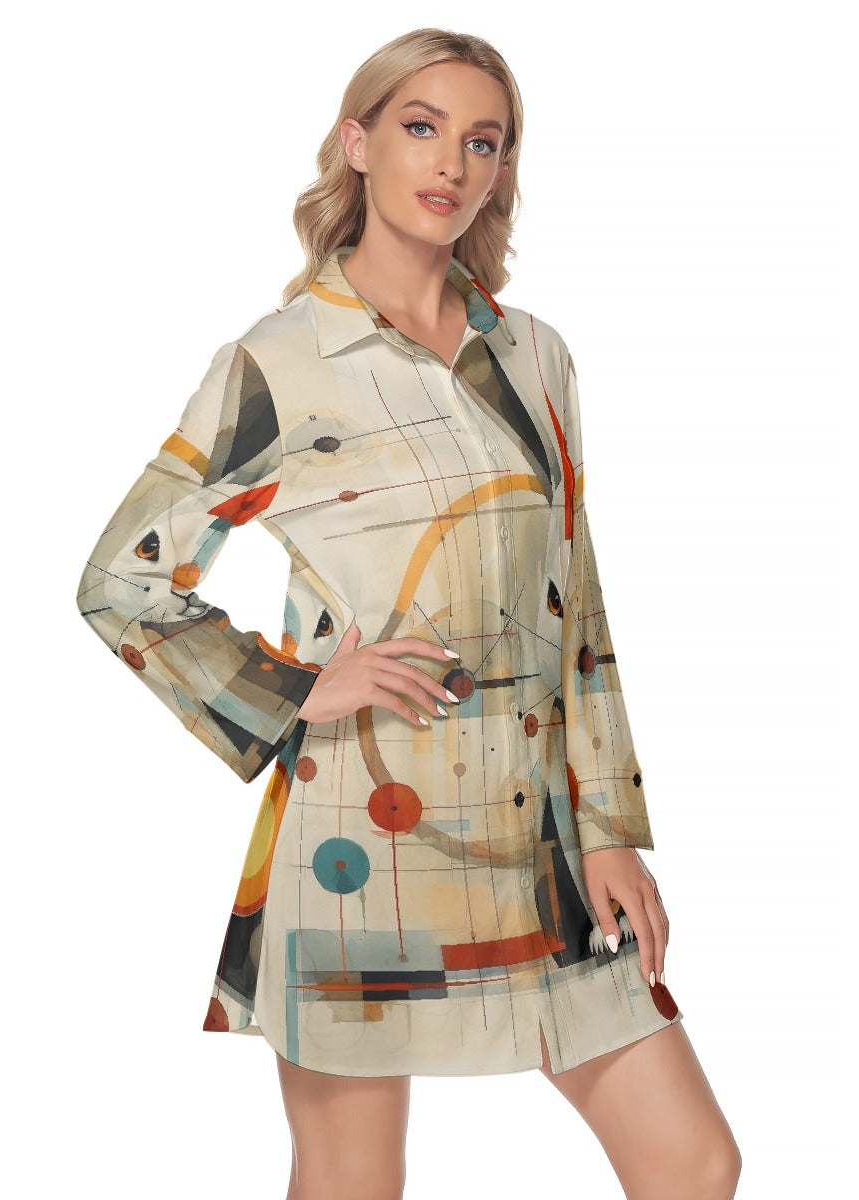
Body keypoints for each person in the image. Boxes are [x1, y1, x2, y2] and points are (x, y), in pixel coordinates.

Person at [76, 27, 741, 1200]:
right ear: (358, 142)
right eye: (421, 127)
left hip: (538, 838)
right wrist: (295, 688)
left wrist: (608, 825)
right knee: (352, 1180)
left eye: (483, 141)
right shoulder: (281, 362)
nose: (451, 163)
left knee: (693, 1163)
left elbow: (576, 604)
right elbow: (120, 581)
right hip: (360, 841)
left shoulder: (535, 356)